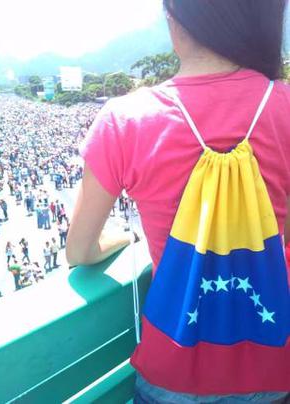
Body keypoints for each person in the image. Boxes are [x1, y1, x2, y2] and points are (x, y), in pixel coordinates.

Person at [66, 1, 290, 403]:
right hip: (272, 366)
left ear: (175, 23)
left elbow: (79, 250)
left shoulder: (125, 120)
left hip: (173, 376)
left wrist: (122, 239)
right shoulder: (284, 107)